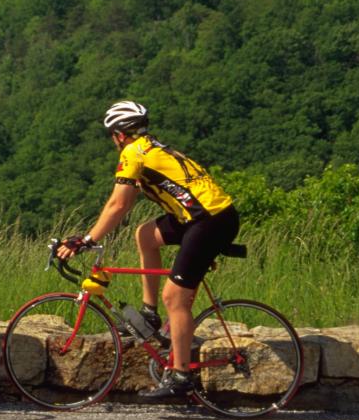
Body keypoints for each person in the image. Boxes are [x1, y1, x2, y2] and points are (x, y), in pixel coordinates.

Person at [58, 100, 239, 398]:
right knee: (145, 235)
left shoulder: (132, 153)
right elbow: (126, 203)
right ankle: (149, 313)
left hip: (210, 221)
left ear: (119, 134)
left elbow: (118, 205)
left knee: (175, 297)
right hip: (200, 216)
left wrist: (86, 240)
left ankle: (181, 375)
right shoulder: (149, 147)